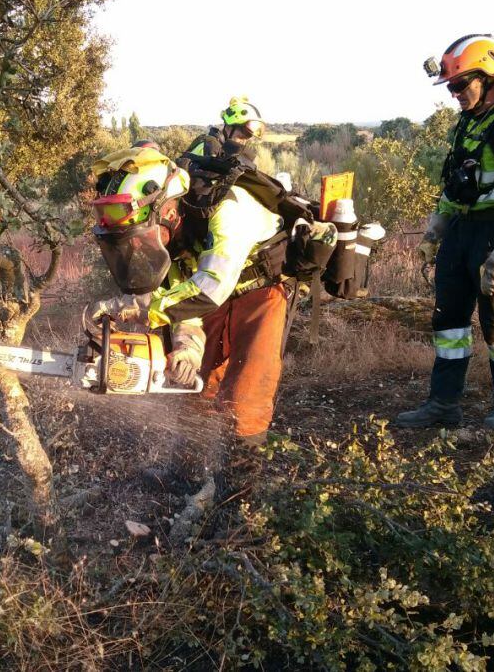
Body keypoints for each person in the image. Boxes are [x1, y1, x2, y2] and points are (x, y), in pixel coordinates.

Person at [86, 108, 336, 460]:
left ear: (166, 210)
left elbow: (209, 287)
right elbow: (185, 304)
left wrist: (138, 306)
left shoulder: (226, 208)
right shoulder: (169, 240)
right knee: (198, 390)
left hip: (261, 290)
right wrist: (187, 347)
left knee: (246, 393)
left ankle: (241, 481)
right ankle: (192, 468)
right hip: (214, 296)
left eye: (143, 236)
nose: (139, 246)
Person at [397, 35, 494, 432]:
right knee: (449, 323)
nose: (454, 94)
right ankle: (443, 404)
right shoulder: (469, 121)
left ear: (490, 78)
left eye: (461, 84)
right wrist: (433, 233)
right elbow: (456, 184)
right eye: (450, 86)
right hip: (461, 230)